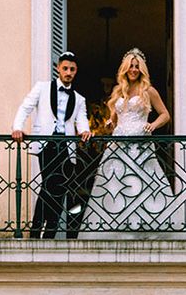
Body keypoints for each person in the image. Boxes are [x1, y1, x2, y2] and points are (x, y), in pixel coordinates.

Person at [81, 49, 173, 234]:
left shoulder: (148, 91)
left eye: (137, 67)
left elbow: (165, 115)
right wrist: (109, 124)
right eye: (130, 66)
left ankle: (143, 226)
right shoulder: (118, 91)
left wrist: (153, 125)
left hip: (140, 143)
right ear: (124, 69)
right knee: (115, 183)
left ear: (141, 69)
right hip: (118, 145)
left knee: (141, 181)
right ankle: (116, 226)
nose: (133, 70)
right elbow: (114, 120)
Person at [12, 51, 91, 239]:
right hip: (47, 144)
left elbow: (82, 120)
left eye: (72, 69)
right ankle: (38, 232)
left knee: (60, 188)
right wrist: (17, 128)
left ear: (76, 71)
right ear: (58, 69)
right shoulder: (42, 87)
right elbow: (25, 107)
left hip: (66, 147)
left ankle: (46, 233)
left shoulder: (79, 99)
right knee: (50, 185)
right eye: (65, 68)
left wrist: (85, 130)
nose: (68, 72)